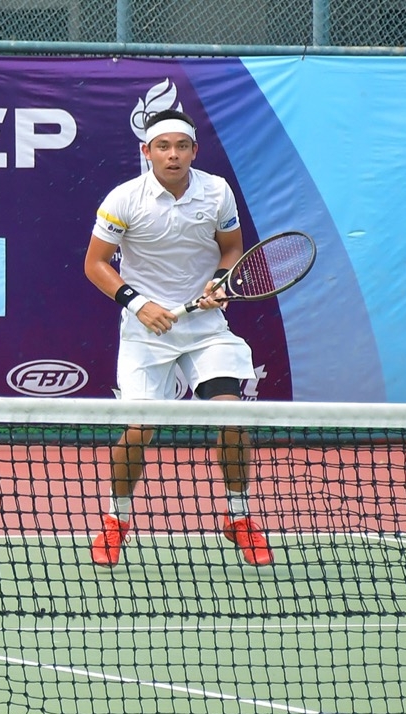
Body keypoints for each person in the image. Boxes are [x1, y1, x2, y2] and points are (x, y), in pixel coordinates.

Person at [83, 109, 273, 568]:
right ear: (146, 151)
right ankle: (116, 520)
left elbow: (231, 249)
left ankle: (238, 517)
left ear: (194, 151)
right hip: (146, 332)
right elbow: (95, 264)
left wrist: (220, 281)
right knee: (139, 430)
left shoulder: (217, 191)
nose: (173, 155)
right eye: (163, 147)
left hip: (205, 328)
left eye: (181, 146)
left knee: (231, 419)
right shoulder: (124, 199)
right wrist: (139, 304)